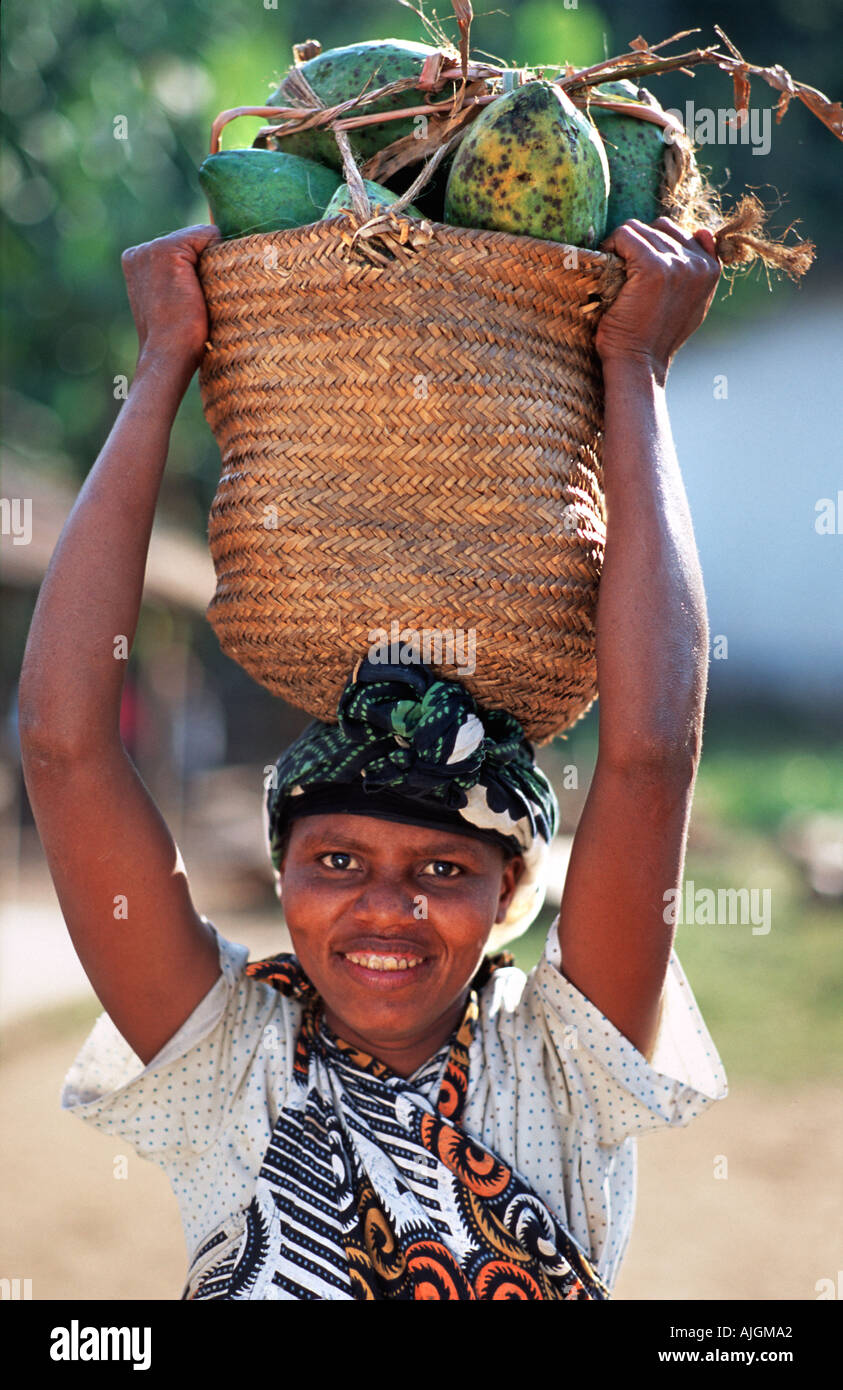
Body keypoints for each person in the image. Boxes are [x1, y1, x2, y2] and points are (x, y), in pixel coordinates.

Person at [19, 213, 727, 1301]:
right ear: (283, 875)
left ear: (509, 892)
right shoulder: (233, 1065)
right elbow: (65, 752)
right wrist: (163, 359)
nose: (383, 908)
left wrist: (635, 370)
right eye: (336, 861)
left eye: (442, 870)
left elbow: (646, 762)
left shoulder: (561, 1074)